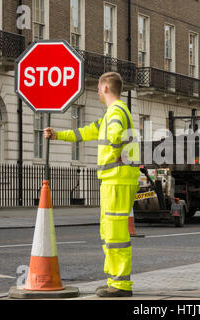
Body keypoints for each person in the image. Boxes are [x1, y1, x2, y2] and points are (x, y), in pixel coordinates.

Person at [44, 72, 140, 297]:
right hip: (114, 178)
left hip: (117, 178)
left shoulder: (116, 111)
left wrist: (115, 154)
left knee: (115, 234)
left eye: (98, 87)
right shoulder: (111, 113)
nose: (97, 91)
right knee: (108, 230)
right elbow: (86, 131)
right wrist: (59, 135)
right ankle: (114, 280)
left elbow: (116, 135)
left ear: (106, 88)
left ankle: (121, 285)